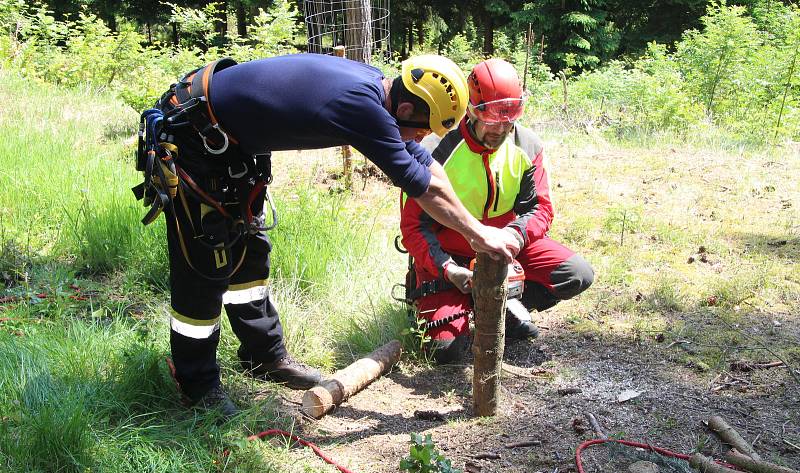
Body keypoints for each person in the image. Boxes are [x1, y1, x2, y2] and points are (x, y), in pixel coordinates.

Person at [135, 53, 521, 417]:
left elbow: (425, 165)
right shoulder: (363, 108)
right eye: (421, 129)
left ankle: (264, 357)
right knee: (204, 267)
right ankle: (197, 385)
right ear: (405, 108)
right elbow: (420, 187)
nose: (420, 139)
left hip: (230, 147)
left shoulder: (382, 90)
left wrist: (477, 228)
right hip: (193, 139)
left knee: (250, 256)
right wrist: (479, 236)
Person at [399, 58, 594, 364]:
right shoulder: (436, 150)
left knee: (576, 274)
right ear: (472, 109)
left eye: (509, 119)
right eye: (491, 118)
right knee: (446, 351)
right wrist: (448, 270)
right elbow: (413, 229)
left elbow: (539, 208)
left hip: (504, 247)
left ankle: (501, 306)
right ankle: (465, 304)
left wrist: (515, 237)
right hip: (450, 257)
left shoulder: (526, 146)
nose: (501, 129)